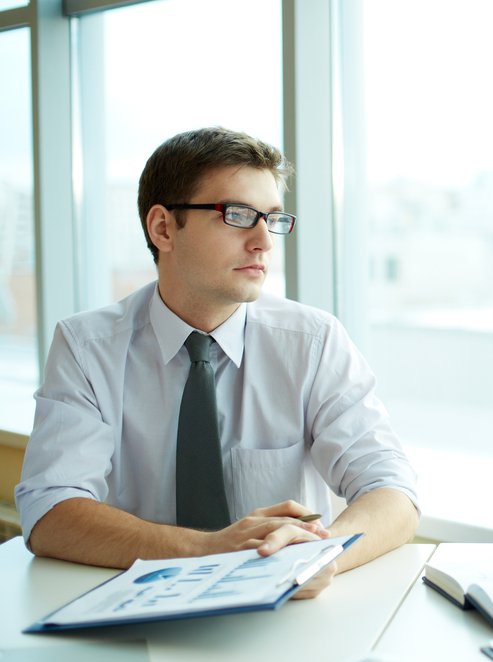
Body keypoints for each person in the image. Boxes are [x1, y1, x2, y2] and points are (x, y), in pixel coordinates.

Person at [15, 127, 419, 598]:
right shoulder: (87, 348)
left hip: (288, 614)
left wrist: (319, 558)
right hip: (138, 607)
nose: (264, 242)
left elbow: (392, 492)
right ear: (163, 227)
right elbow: (49, 512)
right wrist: (208, 549)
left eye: (272, 218)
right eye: (239, 215)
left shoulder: (312, 342)